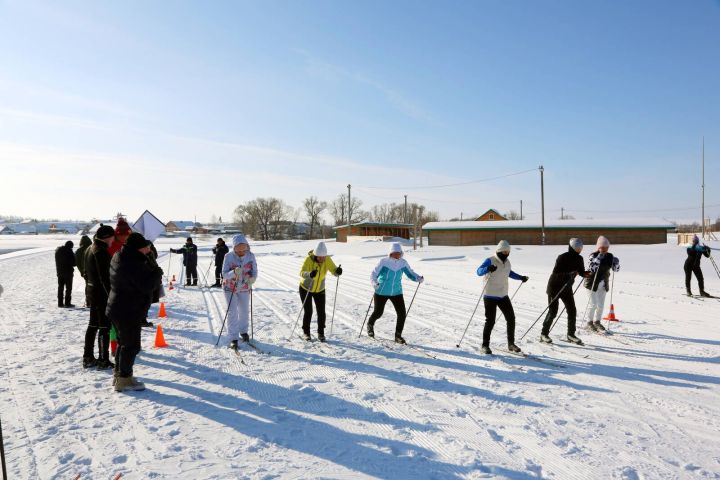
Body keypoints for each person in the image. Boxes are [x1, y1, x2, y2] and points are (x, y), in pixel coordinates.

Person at [107, 232, 163, 392]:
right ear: (138, 248)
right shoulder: (131, 262)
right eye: (146, 247)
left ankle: (120, 375)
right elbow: (146, 285)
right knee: (131, 345)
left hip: (119, 307)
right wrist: (157, 273)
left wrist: (149, 259)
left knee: (123, 343)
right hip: (127, 309)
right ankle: (124, 379)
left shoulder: (122, 255)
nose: (149, 249)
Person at [476, 240, 528, 354]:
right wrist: (488, 268)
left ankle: (511, 344)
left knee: (511, 318)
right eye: (504, 251)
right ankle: (485, 345)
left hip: (503, 294)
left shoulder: (507, 262)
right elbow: (478, 271)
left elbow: (509, 272)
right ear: (499, 251)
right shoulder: (490, 260)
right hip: (490, 295)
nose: (506, 253)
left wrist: (520, 277)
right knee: (490, 321)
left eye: (508, 251)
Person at [367, 242, 423, 345]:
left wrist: (418, 278)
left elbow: (410, 273)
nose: (397, 254)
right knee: (378, 312)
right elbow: (373, 274)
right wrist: (374, 283)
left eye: (399, 253)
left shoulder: (403, 263)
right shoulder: (383, 262)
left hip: (397, 292)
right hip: (381, 291)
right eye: (395, 253)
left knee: (402, 314)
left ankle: (398, 336)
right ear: (390, 253)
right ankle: (370, 325)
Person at [539, 238, 589, 345]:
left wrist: (586, 274)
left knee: (572, 310)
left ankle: (571, 334)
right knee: (553, 311)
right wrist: (569, 274)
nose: (579, 250)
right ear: (572, 248)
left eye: (580, 248)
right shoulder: (562, 257)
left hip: (567, 288)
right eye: (577, 248)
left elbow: (580, 272)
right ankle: (544, 334)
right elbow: (556, 274)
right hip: (555, 287)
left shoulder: (580, 259)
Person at [83, 225, 115, 369]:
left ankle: (88, 357)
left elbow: (85, 273)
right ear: (107, 237)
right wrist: (110, 296)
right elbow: (104, 278)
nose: (113, 240)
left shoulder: (90, 248)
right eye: (112, 237)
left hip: (92, 292)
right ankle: (103, 359)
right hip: (101, 294)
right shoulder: (101, 251)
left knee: (93, 325)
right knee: (104, 327)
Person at [298, 241, 342, 342]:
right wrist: (309, 274)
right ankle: (306, 333)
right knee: (308, 311)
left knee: (321, 312)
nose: (322, 259)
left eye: (324, 257)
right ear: (316, 255)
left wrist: (337, 272)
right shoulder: (309, 260)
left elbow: (334, 270)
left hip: (320, 289)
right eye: (320, 257)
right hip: (306, 288)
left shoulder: (327, 259)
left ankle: (321, 333)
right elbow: (301, 272)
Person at [222, 234, 257, 348]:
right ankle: (233, 337)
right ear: (234, 248)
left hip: (244, 287)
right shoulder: (228, 256)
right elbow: (224, 274)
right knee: (232, 312)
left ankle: (243, 331)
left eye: (244, 249)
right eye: (239, 250)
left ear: (247, 247)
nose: (242, 252)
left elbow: (254, 271)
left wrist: (252, 278)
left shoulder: (251, 256)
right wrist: (233, 272)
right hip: (230, 288)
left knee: (244, 311)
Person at [585, 236, 620, 332]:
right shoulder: (593, 255)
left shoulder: (610, 256)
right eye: (603, 247)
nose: (605, 249)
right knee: (593, 304)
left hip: (603, 283)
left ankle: (597, 322)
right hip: (592, 283)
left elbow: (616, 270)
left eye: (607, 247)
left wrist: (616, 263)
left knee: (601, 304)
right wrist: (598, 259)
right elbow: (591, 268)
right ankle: (589, 322)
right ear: (598, 247)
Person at [55, 240, 76, 307]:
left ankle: (60, 303)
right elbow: (73, 263)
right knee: (68, 288)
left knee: (60, 287)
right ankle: (67, 303)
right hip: (68, 272)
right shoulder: (69, 251)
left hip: (59, 272)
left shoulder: (58, 251)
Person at [75, 235, 92, 307]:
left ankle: (88, 302)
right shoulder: (92, 248)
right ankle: (92, 301)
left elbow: (77, 263)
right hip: (92, 270)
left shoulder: (79, 250)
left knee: (87, 286)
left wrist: (81, 271)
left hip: (84, 271)